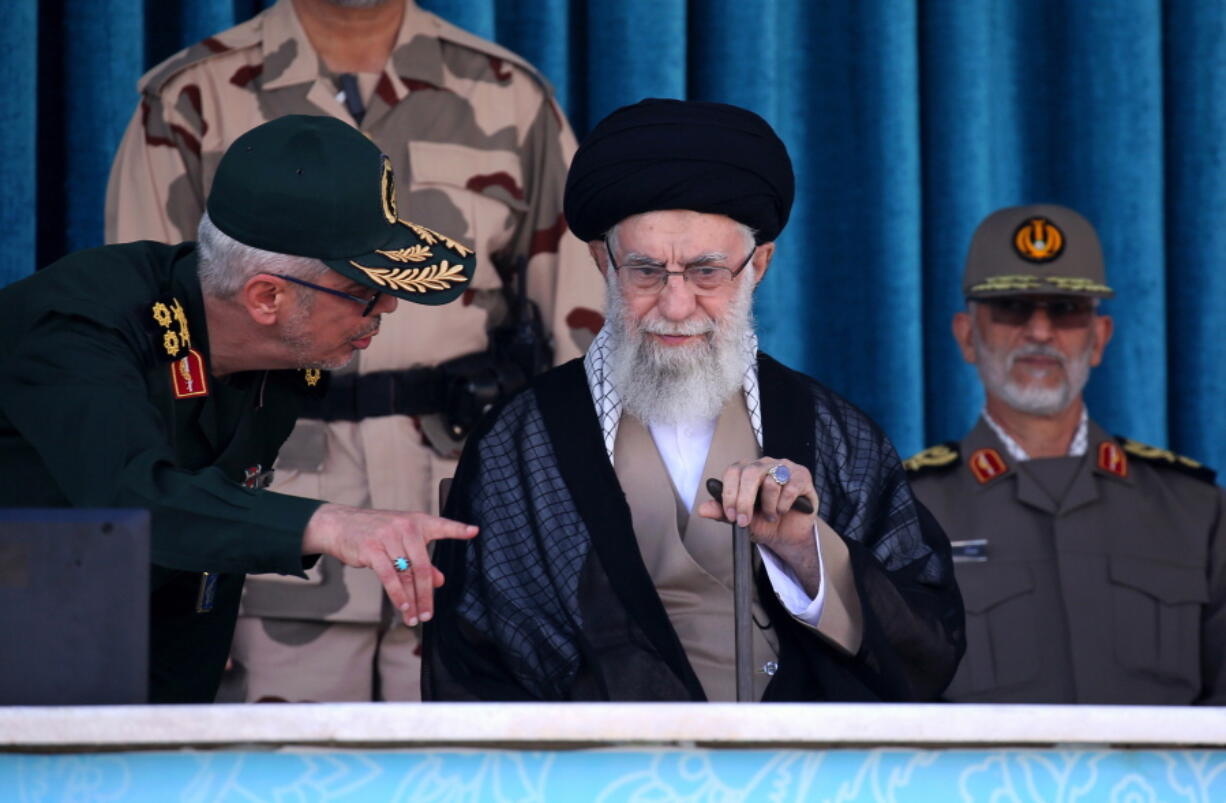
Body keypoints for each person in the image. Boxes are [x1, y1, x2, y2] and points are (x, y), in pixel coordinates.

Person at [105, 0, 604, 702]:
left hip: (461, 531)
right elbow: (147, 346)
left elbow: (582, 338)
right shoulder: (195, 96)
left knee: (461, 778)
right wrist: (172, 578)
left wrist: (559, 545)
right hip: (267, 538)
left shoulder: (508, 93)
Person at [422, 99, 965, 702]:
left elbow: (929, 640)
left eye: (708, 272)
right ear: (603, 262)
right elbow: (470, 664)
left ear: (758, 264)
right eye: (646, 272)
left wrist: (806, 553)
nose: (676, 307)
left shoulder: (835, 433)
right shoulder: (520, 442)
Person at [0, 115, 480, 704]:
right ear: (267, 296)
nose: (389, 306)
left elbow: (200, 548)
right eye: (362, 291)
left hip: (121, 644)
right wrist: (327, 523)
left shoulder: (284, 348)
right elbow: (128, 506)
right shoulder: (78, 330)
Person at [905, 203, 1226, 704]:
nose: (1039, 332)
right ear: (967, 337)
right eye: (1012, 307)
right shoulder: (910, 511)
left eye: (1065, 310)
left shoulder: (1195, 511)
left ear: (1099, 339)